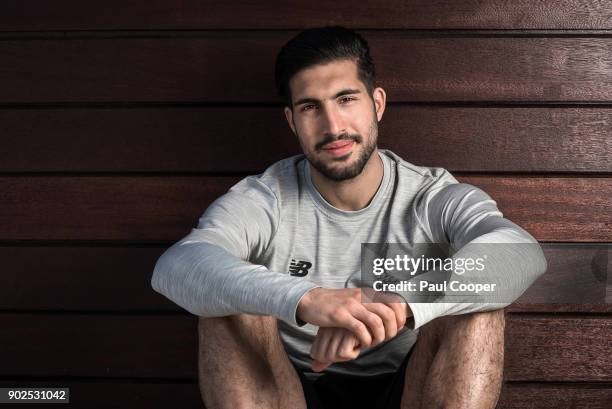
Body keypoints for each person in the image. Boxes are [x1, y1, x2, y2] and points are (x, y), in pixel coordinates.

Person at [151, 26, 547, 409]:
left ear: (376, 103)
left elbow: (521, 254)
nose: (333, 126)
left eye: (345, 99)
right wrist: (308, 299)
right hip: (286, 388)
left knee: (478, 304)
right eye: (311, 107)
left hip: (413, 387)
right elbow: (178, 265)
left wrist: (394, 304)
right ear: (292, 121)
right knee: (224, 306)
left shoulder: (431, 195)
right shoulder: (265, 198)